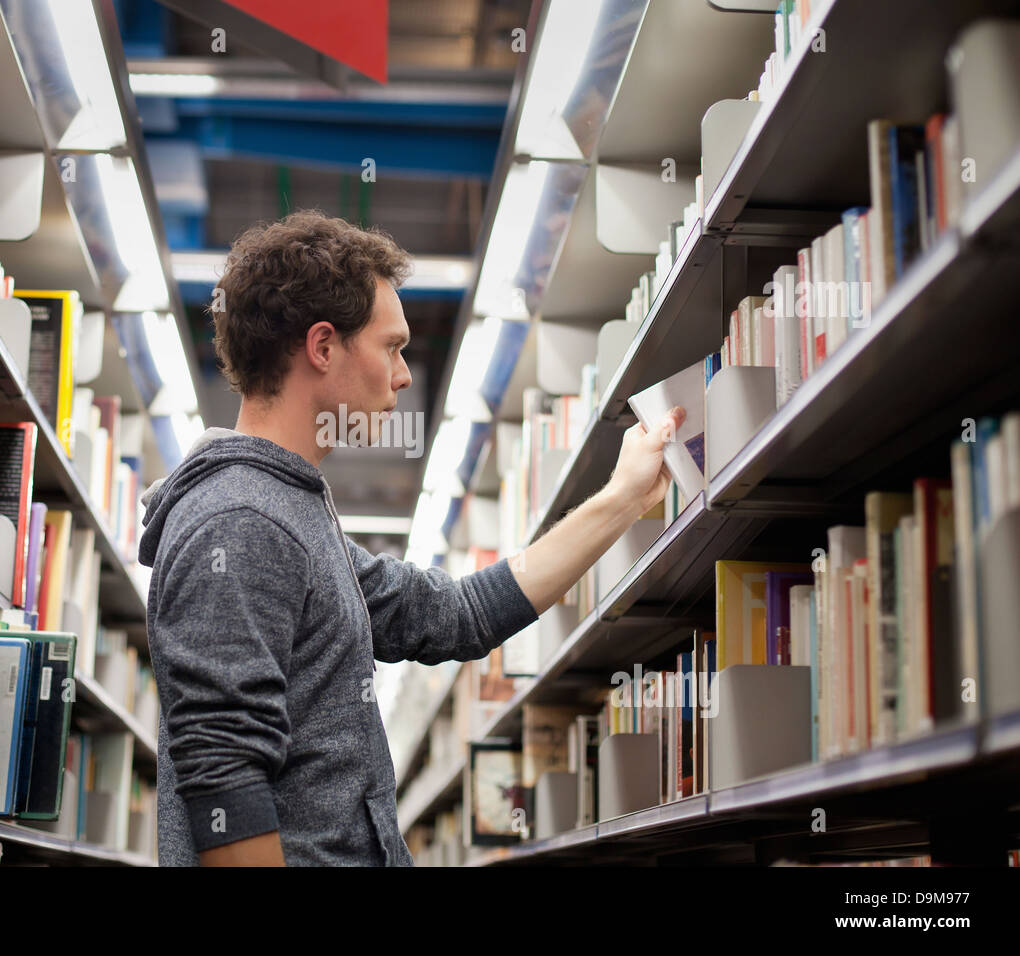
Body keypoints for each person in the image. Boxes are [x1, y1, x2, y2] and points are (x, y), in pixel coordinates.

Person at [137, 209, 684, 866]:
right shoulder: (241, 520)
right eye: (391, 347)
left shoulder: (293, 514)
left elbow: (453, 615)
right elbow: (225, 778)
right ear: (322, 346)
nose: (402, 375)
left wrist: (622, 499)